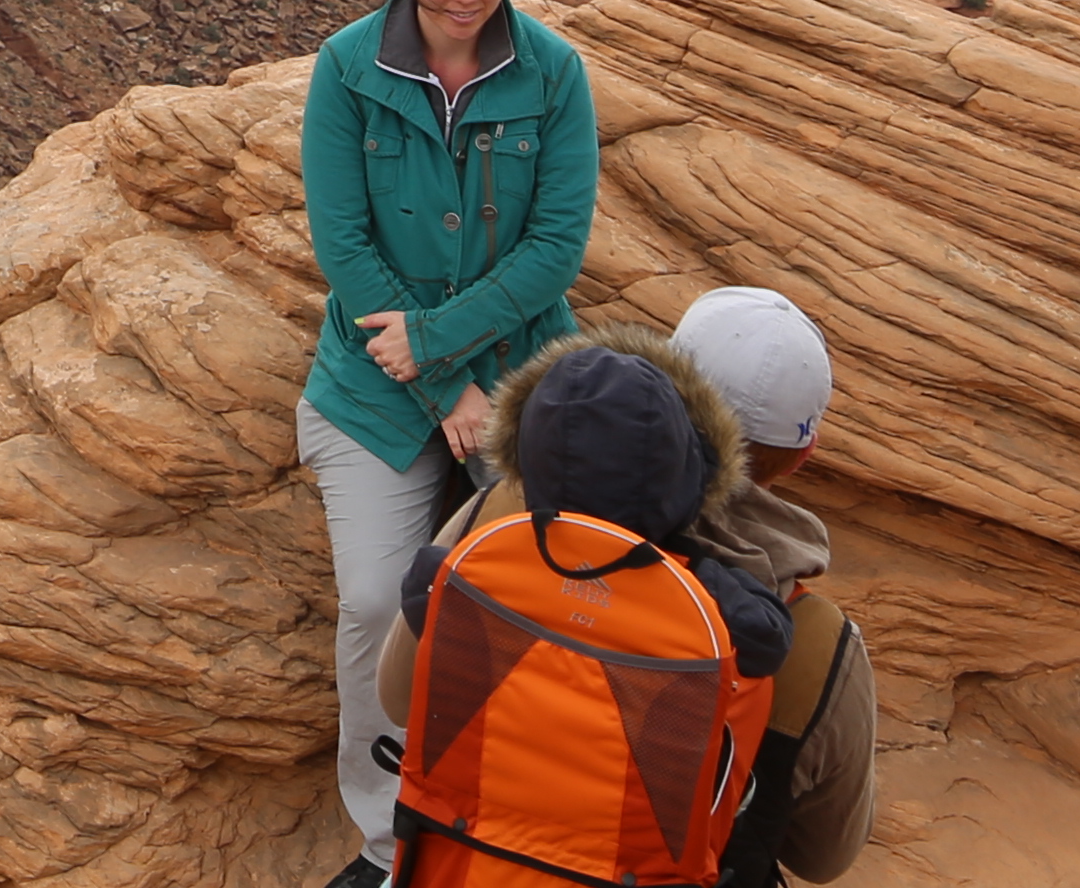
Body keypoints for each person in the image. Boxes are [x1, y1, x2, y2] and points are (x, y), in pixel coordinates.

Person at [298, 0, 597, 888]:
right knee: (381, 605)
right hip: (374, 394)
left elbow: (556, 249)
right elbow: (347, 253)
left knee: (555, 603)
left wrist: (446, 349)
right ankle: (389, 846)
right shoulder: (346, 71)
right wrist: (440, 386)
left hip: (522, 384)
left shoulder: (552, 73)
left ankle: (523, 829)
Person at [370, 325, 795, 887]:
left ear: (522, 452)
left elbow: (396, 702)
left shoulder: (472, 563)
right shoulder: (719, 612)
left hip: (458, 860)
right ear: (695, 473)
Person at [664, 287, 875, 884]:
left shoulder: (516, 513)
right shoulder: (815, 646)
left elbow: (399, 697)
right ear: (803, 452)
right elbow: (824, 857)